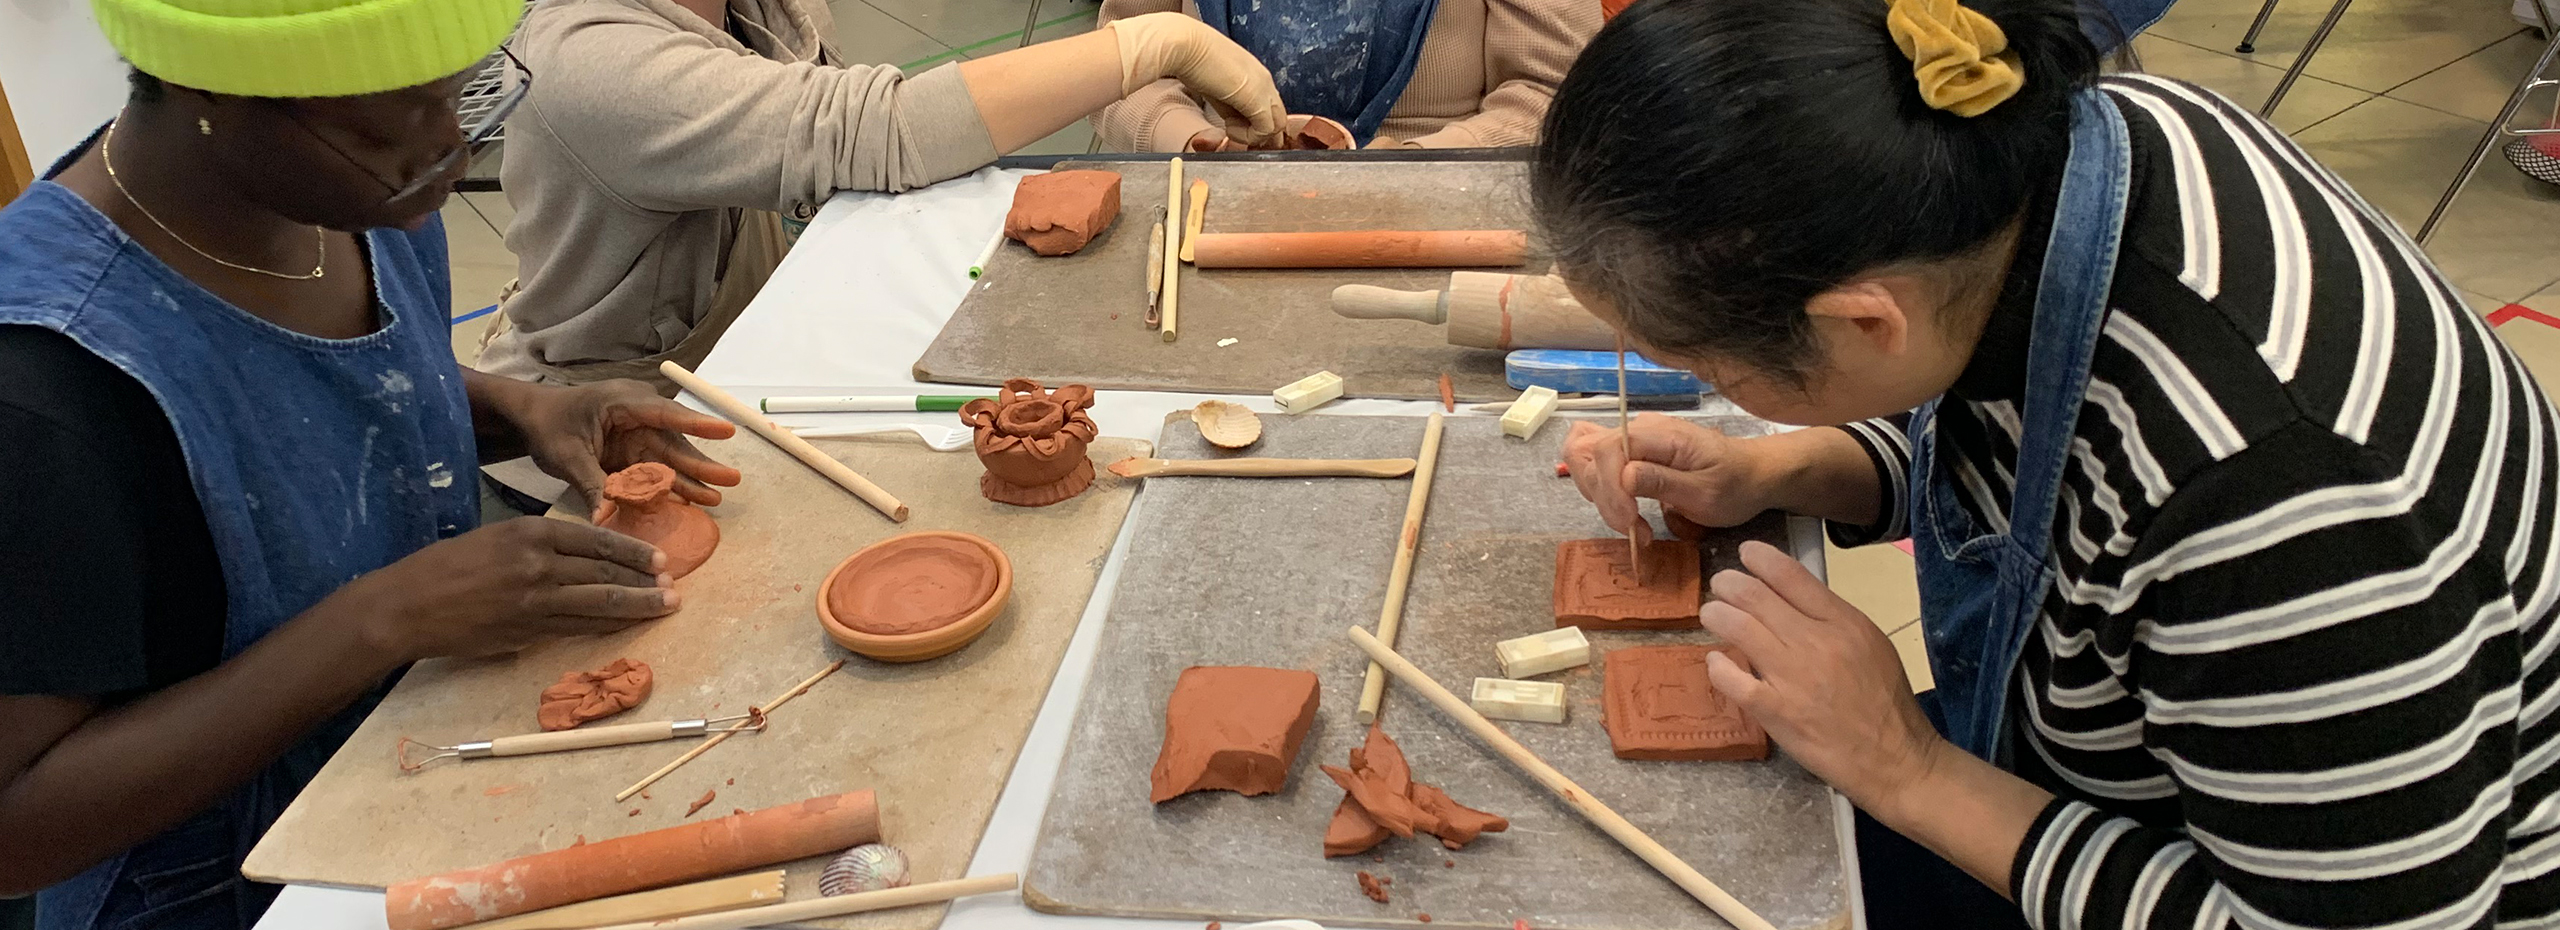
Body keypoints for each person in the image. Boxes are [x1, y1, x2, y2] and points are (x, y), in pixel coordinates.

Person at [1538, 0, 2560, 927]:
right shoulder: (2021, 167)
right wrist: (1792, 469)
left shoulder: (2282, 508)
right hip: (2131, 766)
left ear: (1860, 319)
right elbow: (2019, 421)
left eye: (1694, 363)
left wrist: (1909, 770)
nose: (1680, 378)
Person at [0, 1, 744, 927]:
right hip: (232, 891)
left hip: (414, 766)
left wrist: (527, 408)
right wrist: (383, 619)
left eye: (464, 91)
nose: (451, 148)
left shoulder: (353, 192)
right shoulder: (43, 389)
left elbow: (325, 392)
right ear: (214, 93)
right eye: (400, 114)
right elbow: (17, 831)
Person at [472, 0, 1288, 390]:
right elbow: (882, 132)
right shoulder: (587, 60)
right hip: (603, 421)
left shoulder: (752, 8)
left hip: (742, 356)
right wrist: (1151, 45)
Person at [1095, 0, 1603, 152]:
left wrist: (1425, 161)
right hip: (1209, 197)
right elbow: (1117, 75)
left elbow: (1558, 95)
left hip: (1439, 206)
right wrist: (1194, 141)